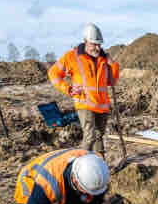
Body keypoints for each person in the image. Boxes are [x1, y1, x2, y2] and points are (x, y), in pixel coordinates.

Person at [48, 23, 121, 155]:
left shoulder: (104, 59)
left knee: (99, 136)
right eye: (94, 44)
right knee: (90, 135)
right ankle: (80, 164)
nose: (98, 47)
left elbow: (112, 82)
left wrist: (113, 65)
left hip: (102, 105)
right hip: (84, 103)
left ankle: (99, 163)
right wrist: (68, 89)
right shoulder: (72, 57)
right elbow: (53, 74)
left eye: (99, 44)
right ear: (86, 41)